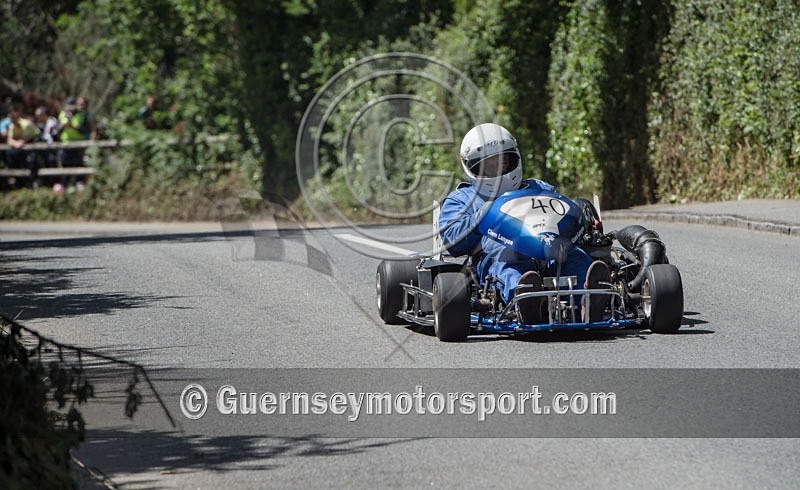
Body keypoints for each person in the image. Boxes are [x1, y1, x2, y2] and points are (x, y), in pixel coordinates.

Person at [438, 123, 610, 324]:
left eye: (503, 162)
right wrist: (481, 217)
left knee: (573, 255)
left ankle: (588, 298)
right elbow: (452, 239)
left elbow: (562, 215)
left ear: (514, 159)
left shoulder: (538, 187)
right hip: (498, 254)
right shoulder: (461, 199)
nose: (498, 168)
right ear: (472, 167)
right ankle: (528, 300)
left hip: (550, 248)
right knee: (509, 265)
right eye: (489, 165)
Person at [5, 103, 40, 169]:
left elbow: (25, 139)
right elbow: (9, 140)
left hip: (34, 141)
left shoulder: (26, 124)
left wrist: (17, 143)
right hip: (19, 143)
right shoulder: (12, 126)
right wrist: (16, 143)